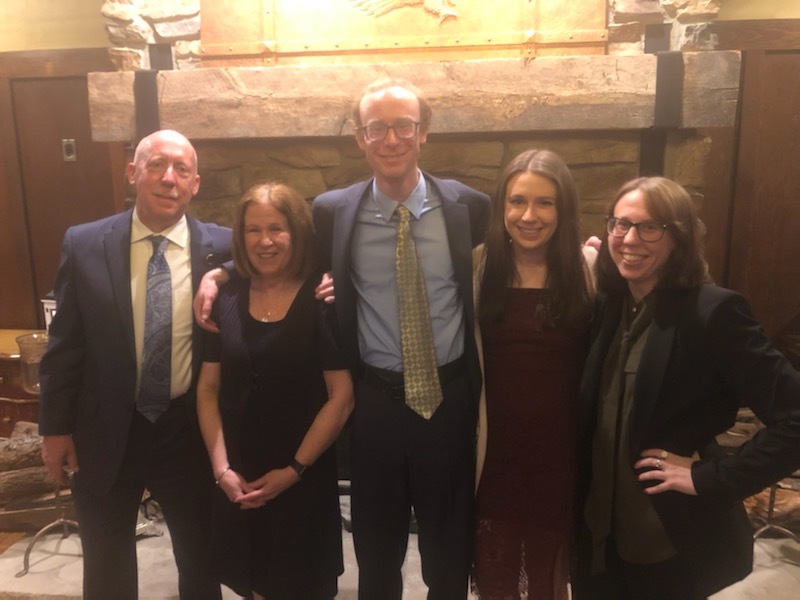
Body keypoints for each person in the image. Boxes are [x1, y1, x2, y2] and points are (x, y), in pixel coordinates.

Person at [576, 176, 800, 599]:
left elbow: (794, 418)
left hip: (671, 541)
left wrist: (711, 477)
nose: (629, 239)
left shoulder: (714, 312)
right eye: (619, 225)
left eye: (649, 227)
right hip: (598, 542)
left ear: (678, 236)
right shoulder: (607, 308)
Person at [312, 77, 491, 599]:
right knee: (376, 549)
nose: (391, 140)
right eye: (377, 128)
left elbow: (517, 256)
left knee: (449, 549)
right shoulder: (332, 212)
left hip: (450, 400)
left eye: (403, 126)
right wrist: (220, 274)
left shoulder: (469, 208)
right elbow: (277, 255)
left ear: (424, 132)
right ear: (359, 137)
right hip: (375, 406)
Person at [38, 129, 229, 600]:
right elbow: (65, 343)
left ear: (196, 183)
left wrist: (226, 272)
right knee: (105, 566)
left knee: (202, 560)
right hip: (102, 431)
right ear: (132, 173)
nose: (170, 179)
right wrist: (54, 429)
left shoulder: (224, 249)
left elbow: (284, 263)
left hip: (188, 431)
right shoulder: (84, 244)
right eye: (157, 165)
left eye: (182, 170)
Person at [195, 182, 354, 598]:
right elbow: (208, 389)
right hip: (239, 478)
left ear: (296, 232)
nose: (264, 241)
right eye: (253, 230)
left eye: (276, 229)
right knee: (252, 585)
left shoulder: (321, 300)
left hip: (302, 478)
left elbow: (341, 396)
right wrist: (221, 470)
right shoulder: (226, 300)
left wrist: (294, 471)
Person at [471, 149, 595, 599]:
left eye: (545, 203)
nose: (529, 215)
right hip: (495, 453)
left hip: (560, 456)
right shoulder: (478, 267)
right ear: (501, 205)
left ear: (563, 210)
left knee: (550, 578)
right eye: (517, 201)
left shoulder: (589, 271)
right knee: (496, 575)